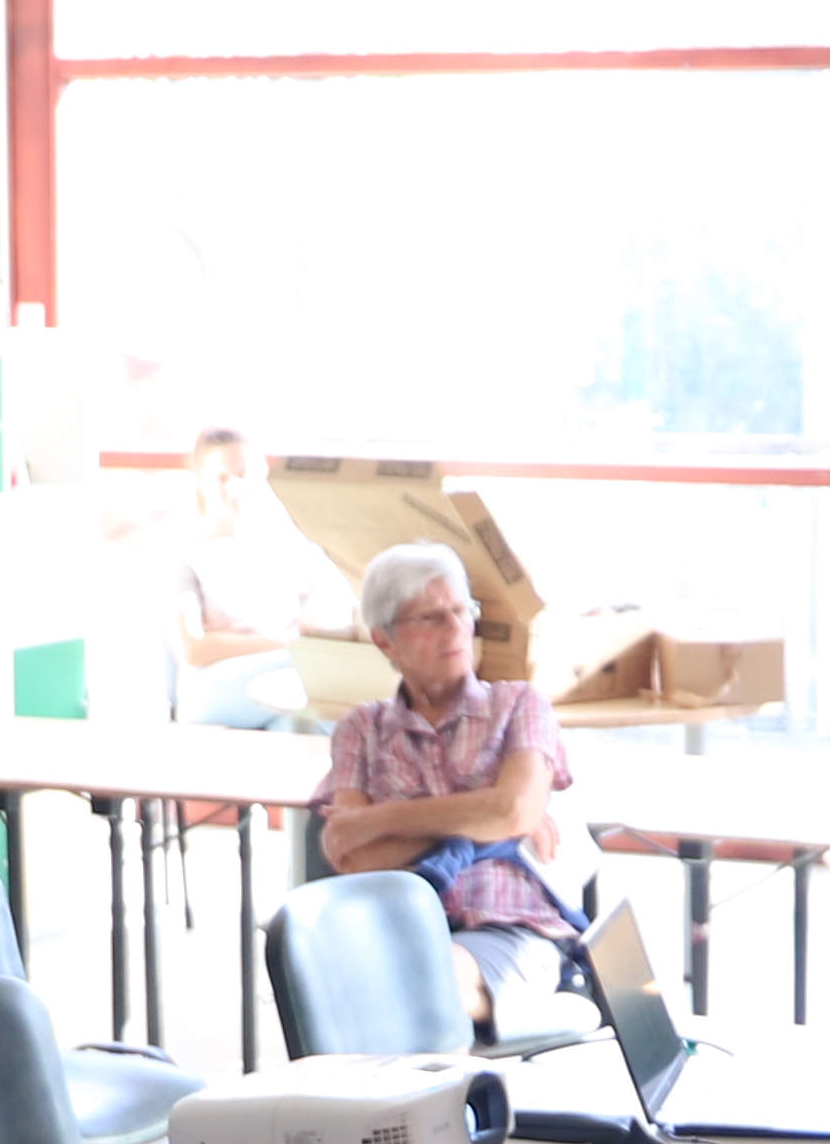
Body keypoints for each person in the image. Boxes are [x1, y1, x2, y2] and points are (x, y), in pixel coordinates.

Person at [315, 540, 588, 1035]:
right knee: (354, 980)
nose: (456, 628)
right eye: (431, 617)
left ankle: (445, 1105)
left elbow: (513, 810)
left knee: (417, 985)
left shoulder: (520, 706)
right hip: (395, 928)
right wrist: (476, 822)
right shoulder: (362, 729)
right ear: (385, 641)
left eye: (462, 610)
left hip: (508, 927)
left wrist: (379, 820)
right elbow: (357, 859)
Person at [165, 426, 351, 726]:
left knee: (301, 723)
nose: (234, 486)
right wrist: (287, 642)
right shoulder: (184, 554)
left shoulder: (274, 540)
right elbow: (193, 649)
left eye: (242, 474)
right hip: (213, 684)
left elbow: (330, 581)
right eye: (222, 478)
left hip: (276, 672)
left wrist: (313, 616)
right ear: (201, 481)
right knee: (321, 670)